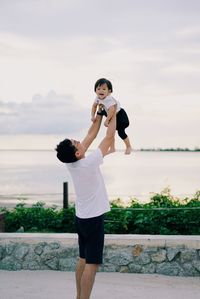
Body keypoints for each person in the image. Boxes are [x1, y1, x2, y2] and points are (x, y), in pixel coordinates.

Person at [56, 111, 116, 299]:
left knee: (82, 259)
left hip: (81, 219)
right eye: (76, 142)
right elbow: (109, 137)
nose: (78, 140)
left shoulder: (72, 163)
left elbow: (91, 134)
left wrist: (100, 112)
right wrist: (114, 112)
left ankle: (78, 297)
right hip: (93, 220)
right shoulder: (89, 163)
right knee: (92, 264)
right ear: (78, 152)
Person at [91, 77, 132, 155]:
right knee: (111, 132)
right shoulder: (97, 98)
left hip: (120, 115)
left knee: (121, 132)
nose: (101, 91)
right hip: (109, 112)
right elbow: (94, 106)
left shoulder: (109, 99)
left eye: (104, 89)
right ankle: (112, 148)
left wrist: (107, 121)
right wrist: (92, 116)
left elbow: (112, 110)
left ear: (109, 91)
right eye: (98, 89)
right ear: (95, 90)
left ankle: (128, 146)